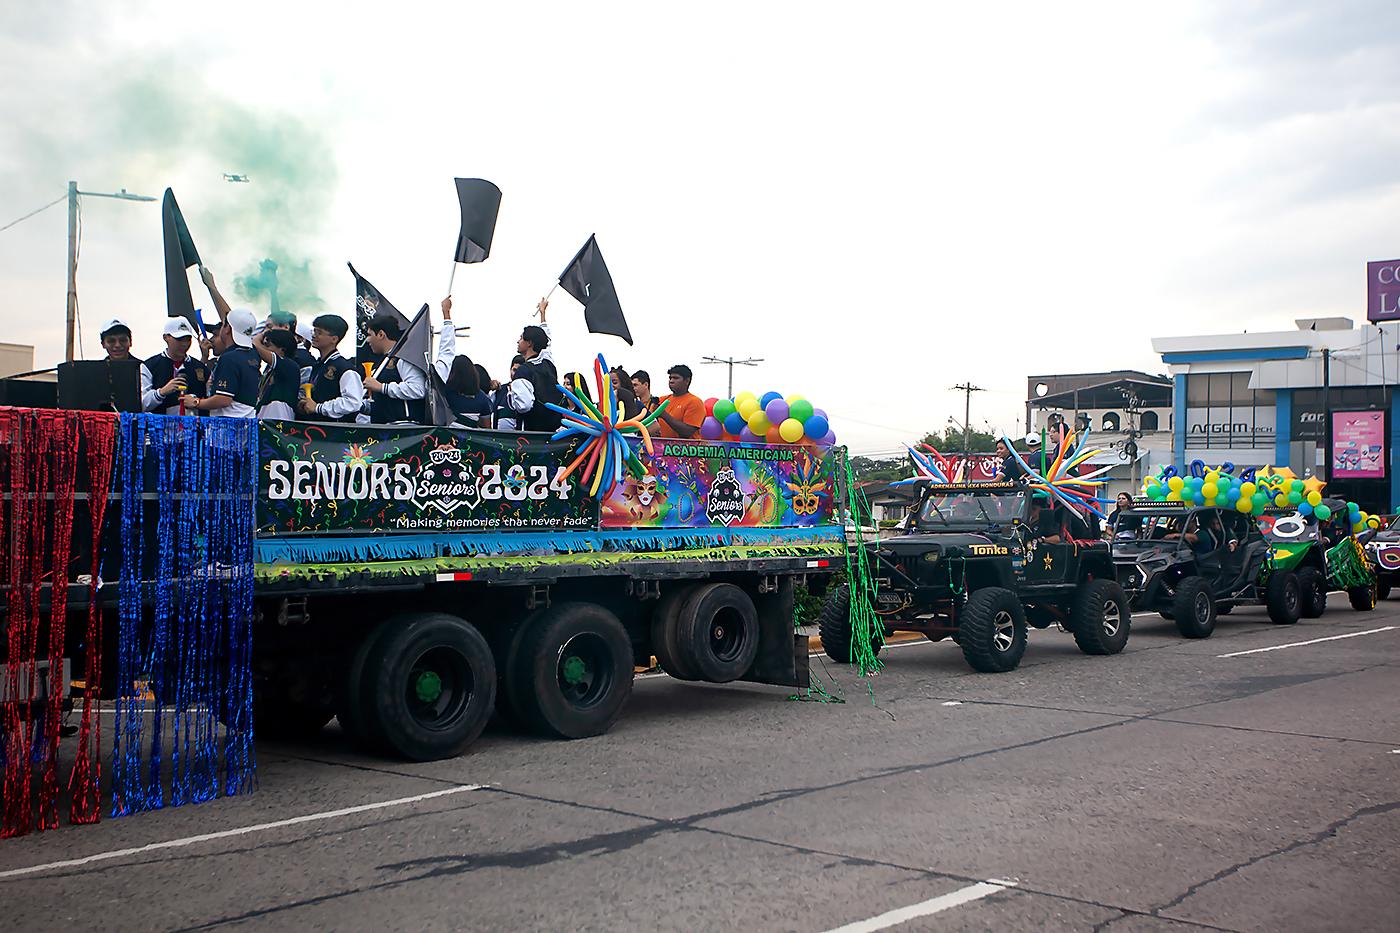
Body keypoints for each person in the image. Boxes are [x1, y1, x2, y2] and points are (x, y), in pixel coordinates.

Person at [179, 308, 260, 418]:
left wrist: (196, 402)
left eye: (223, 325)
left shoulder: (229, 358)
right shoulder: (253, 354)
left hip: (229, 424)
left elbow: (223, 399)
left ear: (227, 329)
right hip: (247, 422)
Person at [492, 311, 562, 432]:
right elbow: (547, 344)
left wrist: (512, 397)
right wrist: (543, 314)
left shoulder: (523, 372)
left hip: (531, 436)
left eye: (521, 338)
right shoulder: (548, 364)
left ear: (529, 343)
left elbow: (524, 405)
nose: (518, 341)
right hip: (553, 433)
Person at [431, 297, 492, 427]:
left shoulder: (444, 394)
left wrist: (446, 314)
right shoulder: (481, 398)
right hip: (470, 445)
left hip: (446, 443)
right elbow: (487, 429)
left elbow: (446, 352)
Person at [298, 314, 365, 423]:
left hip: (335, 434)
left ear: (334, 339)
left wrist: (318, 407)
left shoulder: (345, 368)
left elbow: (353, 402)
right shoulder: (318, 366)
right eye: (314, 331)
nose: (314, 336)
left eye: (319, 333)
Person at [362, 313, 427, 424]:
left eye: (369, 335)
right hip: (383, 429)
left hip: (403, 430)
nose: (367, 340)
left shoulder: (403, 358)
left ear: (381, 334)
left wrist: (382, 387)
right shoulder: (382, 361)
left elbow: (418, 389)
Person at [137, 317, 207, 415]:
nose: (184, 344)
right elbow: (141, 404)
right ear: (166, 337)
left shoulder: (200, 368)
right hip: (159, 427)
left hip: (193, 426)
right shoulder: (149, 366)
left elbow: (210, 400)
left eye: (187, 339)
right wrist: (161, 392)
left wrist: (196, 401)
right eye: (179, 339)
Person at [252, 328, 300, 421]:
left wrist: (259, 336)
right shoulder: (269, 369)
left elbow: (256, 346)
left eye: (268, 345)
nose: (264, 348)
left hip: (280, 419)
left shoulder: (290, 366)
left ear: (282, 349)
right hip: (265, 418)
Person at [655, 364, 704, 439]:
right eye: (670, 378)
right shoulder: (662, 400)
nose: (671, 381)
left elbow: (688, 432)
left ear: (687, 381)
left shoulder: (695, 402)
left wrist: (664, 415)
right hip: (661, 448)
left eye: (675, 378)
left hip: (686, 449)